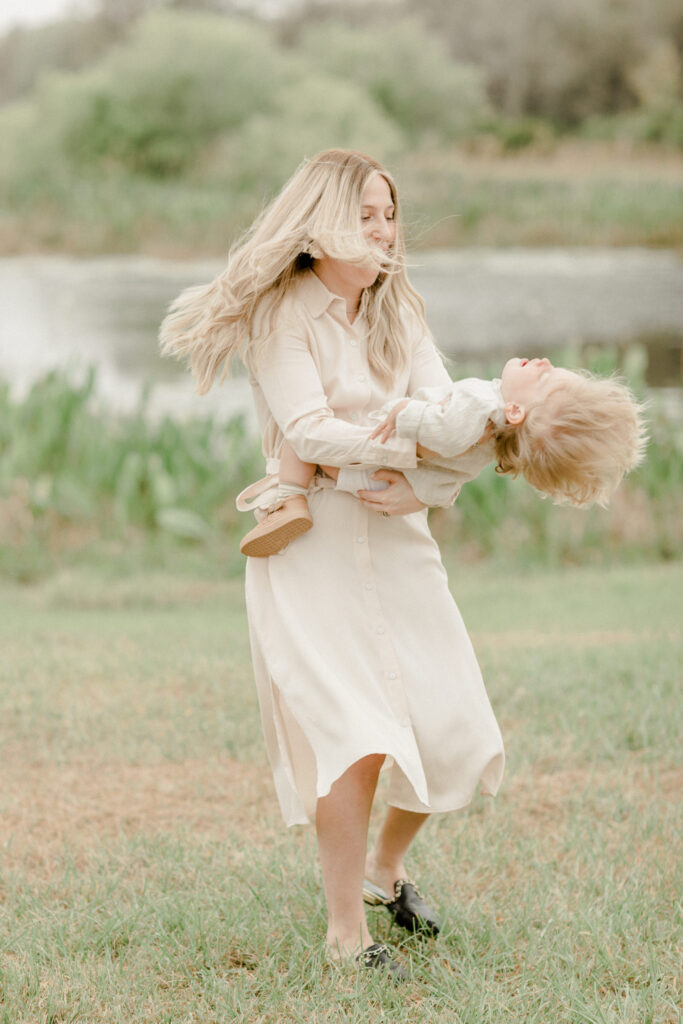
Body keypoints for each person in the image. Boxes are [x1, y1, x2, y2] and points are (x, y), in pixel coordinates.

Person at [160, 149, 507, 980]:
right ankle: (346, 934)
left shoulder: (399, 311)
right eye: (364, 217)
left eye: (389, 215)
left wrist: (433, 477)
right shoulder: (282, 316)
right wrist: (406, 446)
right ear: (317, 229)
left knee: (453, 726)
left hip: (399, 542)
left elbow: (448, 413)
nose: (383, 232)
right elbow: (308, 430)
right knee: (355, 738)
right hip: (311, 544)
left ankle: (386, 868)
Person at [239, 358, 646, 557]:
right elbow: (453, 473)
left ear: (515, 411)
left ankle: (291, 497)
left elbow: (446, 431)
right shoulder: (490, 441)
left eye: (544, 377)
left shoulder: (483, 405)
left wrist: (407, 413)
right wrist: (422, 495)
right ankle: (299, 492)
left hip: (375, 449)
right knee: (317, 449)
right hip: (389, 475)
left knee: (299, 437)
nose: (543, 362)